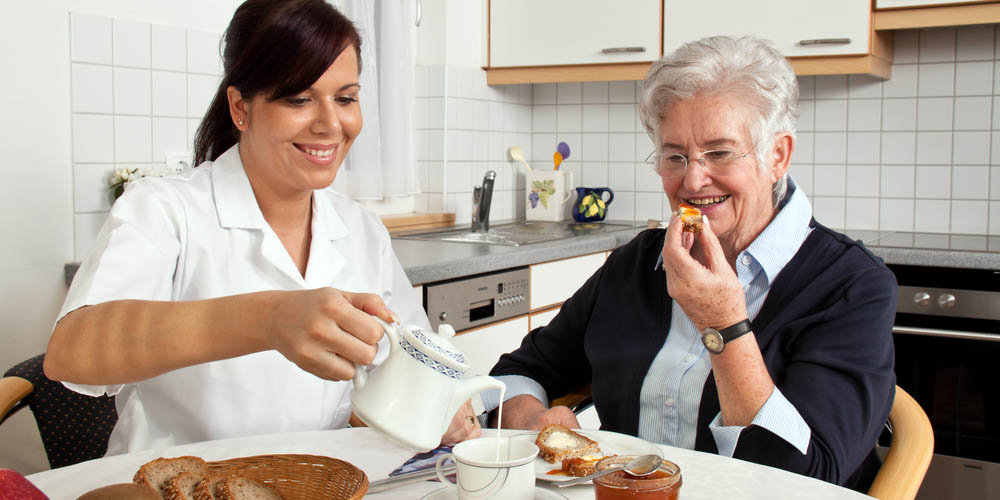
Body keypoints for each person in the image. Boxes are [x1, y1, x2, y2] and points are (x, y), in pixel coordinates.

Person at [44, 0, 479, 455]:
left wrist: (444, 405)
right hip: (179, 483)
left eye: (346, 98)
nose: (331, 123)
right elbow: (71, 351)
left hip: (319, 481)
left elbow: (409, 360)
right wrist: (271, 319)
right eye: (299, 99)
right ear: (240, 109)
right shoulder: (165, 210)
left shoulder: (361, 229)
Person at [486, 35, 896, 490]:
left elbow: (805, 480)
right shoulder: (635, 265)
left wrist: (723, 321)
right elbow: (517, 371)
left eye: (719, 153)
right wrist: (532, 422)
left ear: (777, 155)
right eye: (675, 156)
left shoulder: (852, 284)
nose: (694, 179)